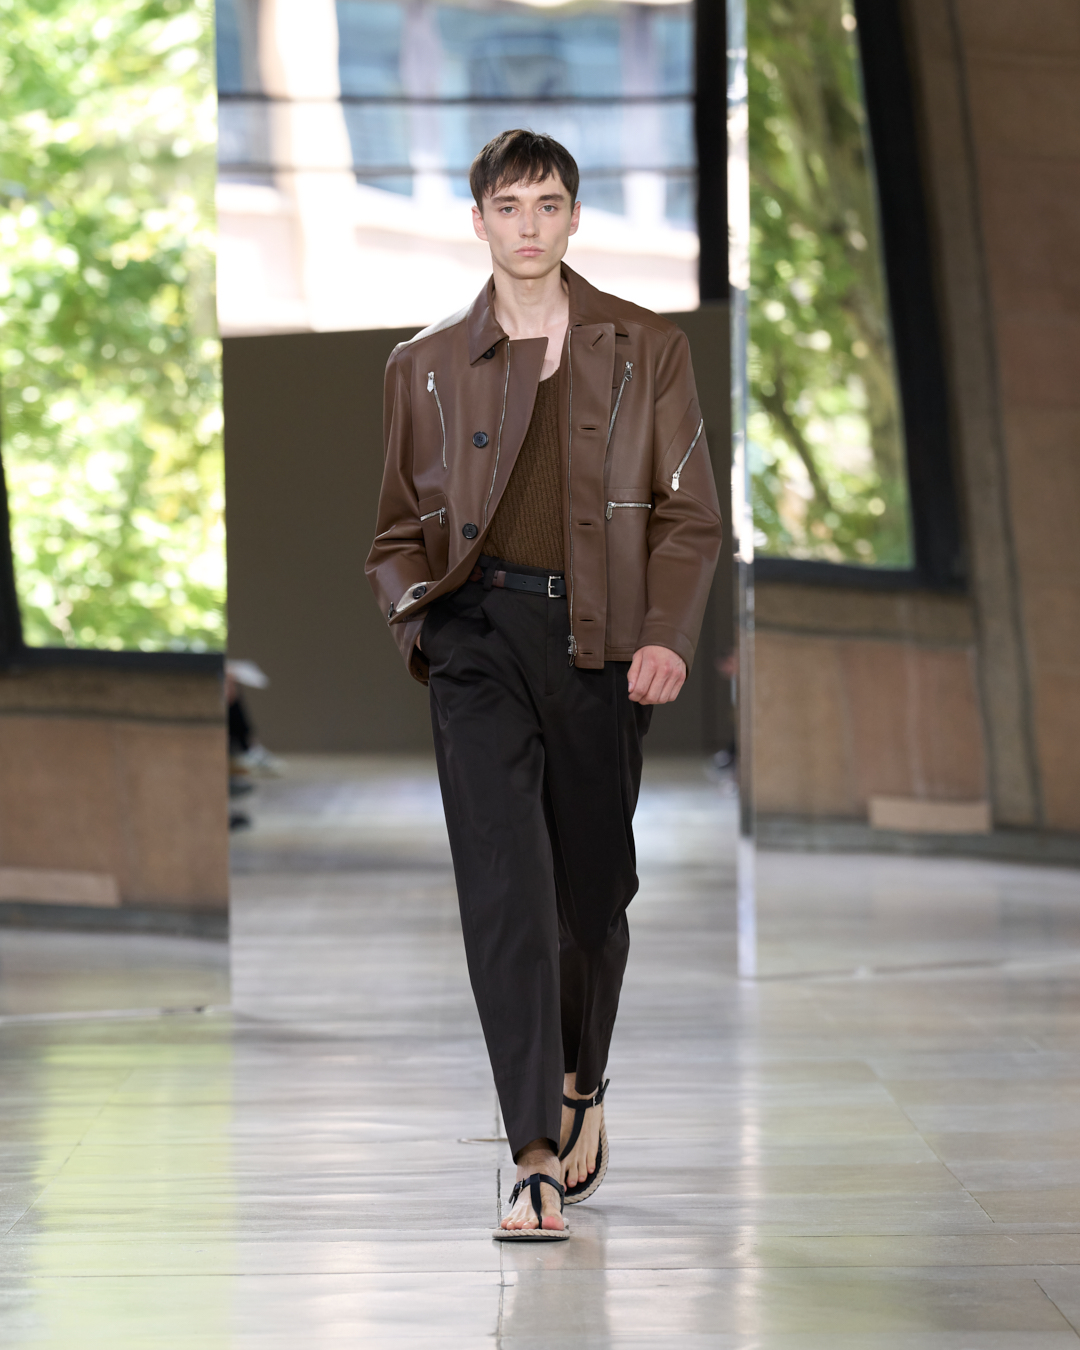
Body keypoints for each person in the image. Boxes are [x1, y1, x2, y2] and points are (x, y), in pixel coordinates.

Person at [366, 130, 722, 1240]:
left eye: (549, 204)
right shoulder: (422, 365)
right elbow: (393, 532)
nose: (529, 225)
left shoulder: (647, 347)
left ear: (574, 217)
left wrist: (665, 635)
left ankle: (581, 1081)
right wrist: (423, 629)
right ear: (478, 220)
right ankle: (528, 1155)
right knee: (505, 890)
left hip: (598, 642)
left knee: (591, 899)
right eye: (510, 206)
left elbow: (689, 514)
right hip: (475, 638)